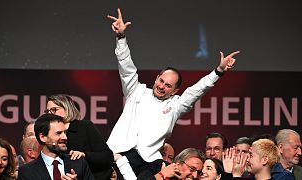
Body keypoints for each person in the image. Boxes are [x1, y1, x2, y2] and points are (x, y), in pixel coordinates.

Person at [106, 8, 239, 178]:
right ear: (156, 78)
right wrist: (121, 38)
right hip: (119, 153)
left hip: (148, 162)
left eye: (168, 85)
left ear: (175, 91)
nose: (162, 86)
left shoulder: (175, 105)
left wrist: (219, 71)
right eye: (161, 81)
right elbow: (126, 68)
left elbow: (196, 91)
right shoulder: (136, 90)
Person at [45, 94, 113, 180]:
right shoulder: (48, 132)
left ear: (67, 108)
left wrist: (84, 155)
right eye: (47, 111)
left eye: (54, 109)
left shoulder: (84, 127)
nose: (50, 114)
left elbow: (107, 156)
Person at [18, 113, 94, 180]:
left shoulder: (79, 164)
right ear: (43, 137)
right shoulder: (27, 171)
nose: (65, 137)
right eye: (59, 133)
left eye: (65, 132)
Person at [138, 148, 205, 180]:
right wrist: (161, 175)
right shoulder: (158, 165)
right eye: (192, 169)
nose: (195, 176)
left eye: (198, 172)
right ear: (178, 164)